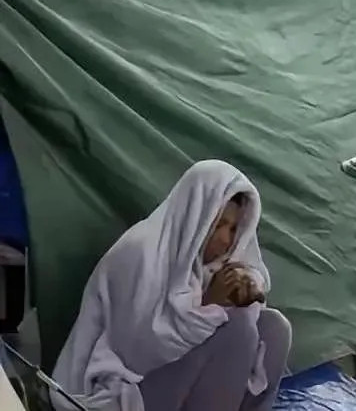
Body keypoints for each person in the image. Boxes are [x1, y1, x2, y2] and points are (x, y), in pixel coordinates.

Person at [52, 161, 291, 411]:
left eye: (233, 229)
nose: (226, 239)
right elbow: (135, 355)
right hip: (123, 388)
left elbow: (248, 286)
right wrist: (210, 305)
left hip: (178, 385)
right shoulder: (141, 253)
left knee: (274, 328)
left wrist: (249, 293)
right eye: (218, 224)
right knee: (236, 327)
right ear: (195, 213)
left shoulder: (209, 265)